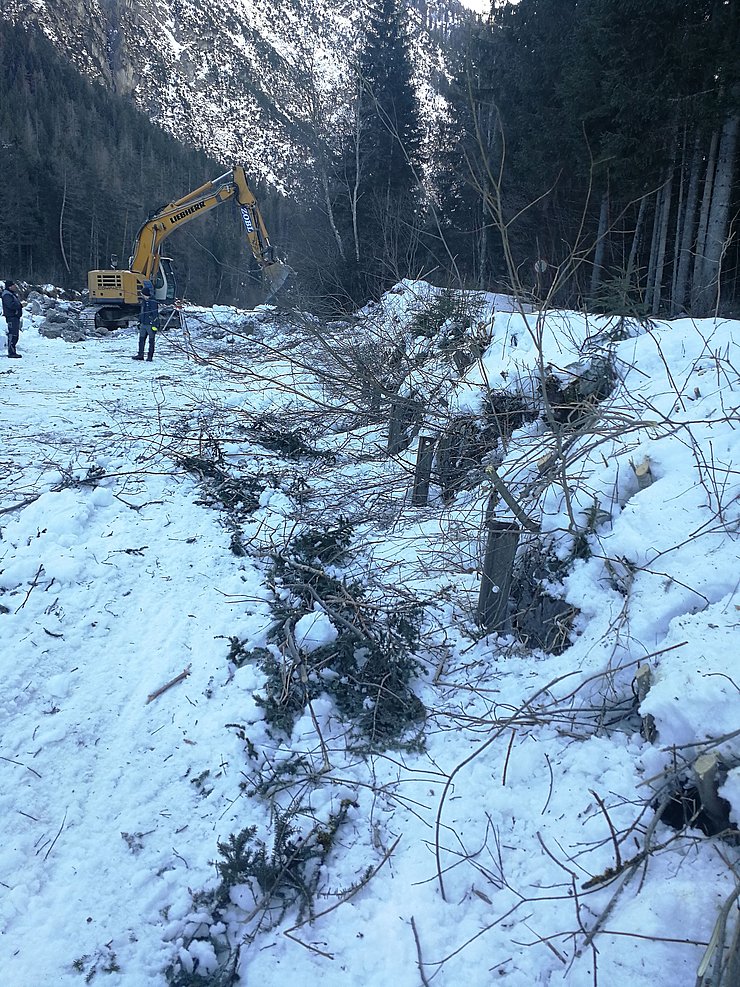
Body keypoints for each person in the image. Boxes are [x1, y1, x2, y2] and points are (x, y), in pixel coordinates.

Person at [132, 279, 159, 362]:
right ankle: (140, 355)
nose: (142, 296)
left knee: (151, 341)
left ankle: (150, 356)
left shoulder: (153, 302)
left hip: (150, 325)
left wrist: (155, 325)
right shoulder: (143, 302)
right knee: (141, 340)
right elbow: (142, 312)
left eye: (143, 294)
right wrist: (139, 321)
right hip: (143, 324)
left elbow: (155, 314)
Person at [1, 278, 23, 358]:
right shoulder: (7, 294)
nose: (15, 287)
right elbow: (10, 305)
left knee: (15, 335)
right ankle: (11, 352)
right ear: (10, 286)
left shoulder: (10, 293)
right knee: (12, 335)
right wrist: (19, 306)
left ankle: (13, 351)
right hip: (11, 317)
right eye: (13, 285)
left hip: (14, 317)